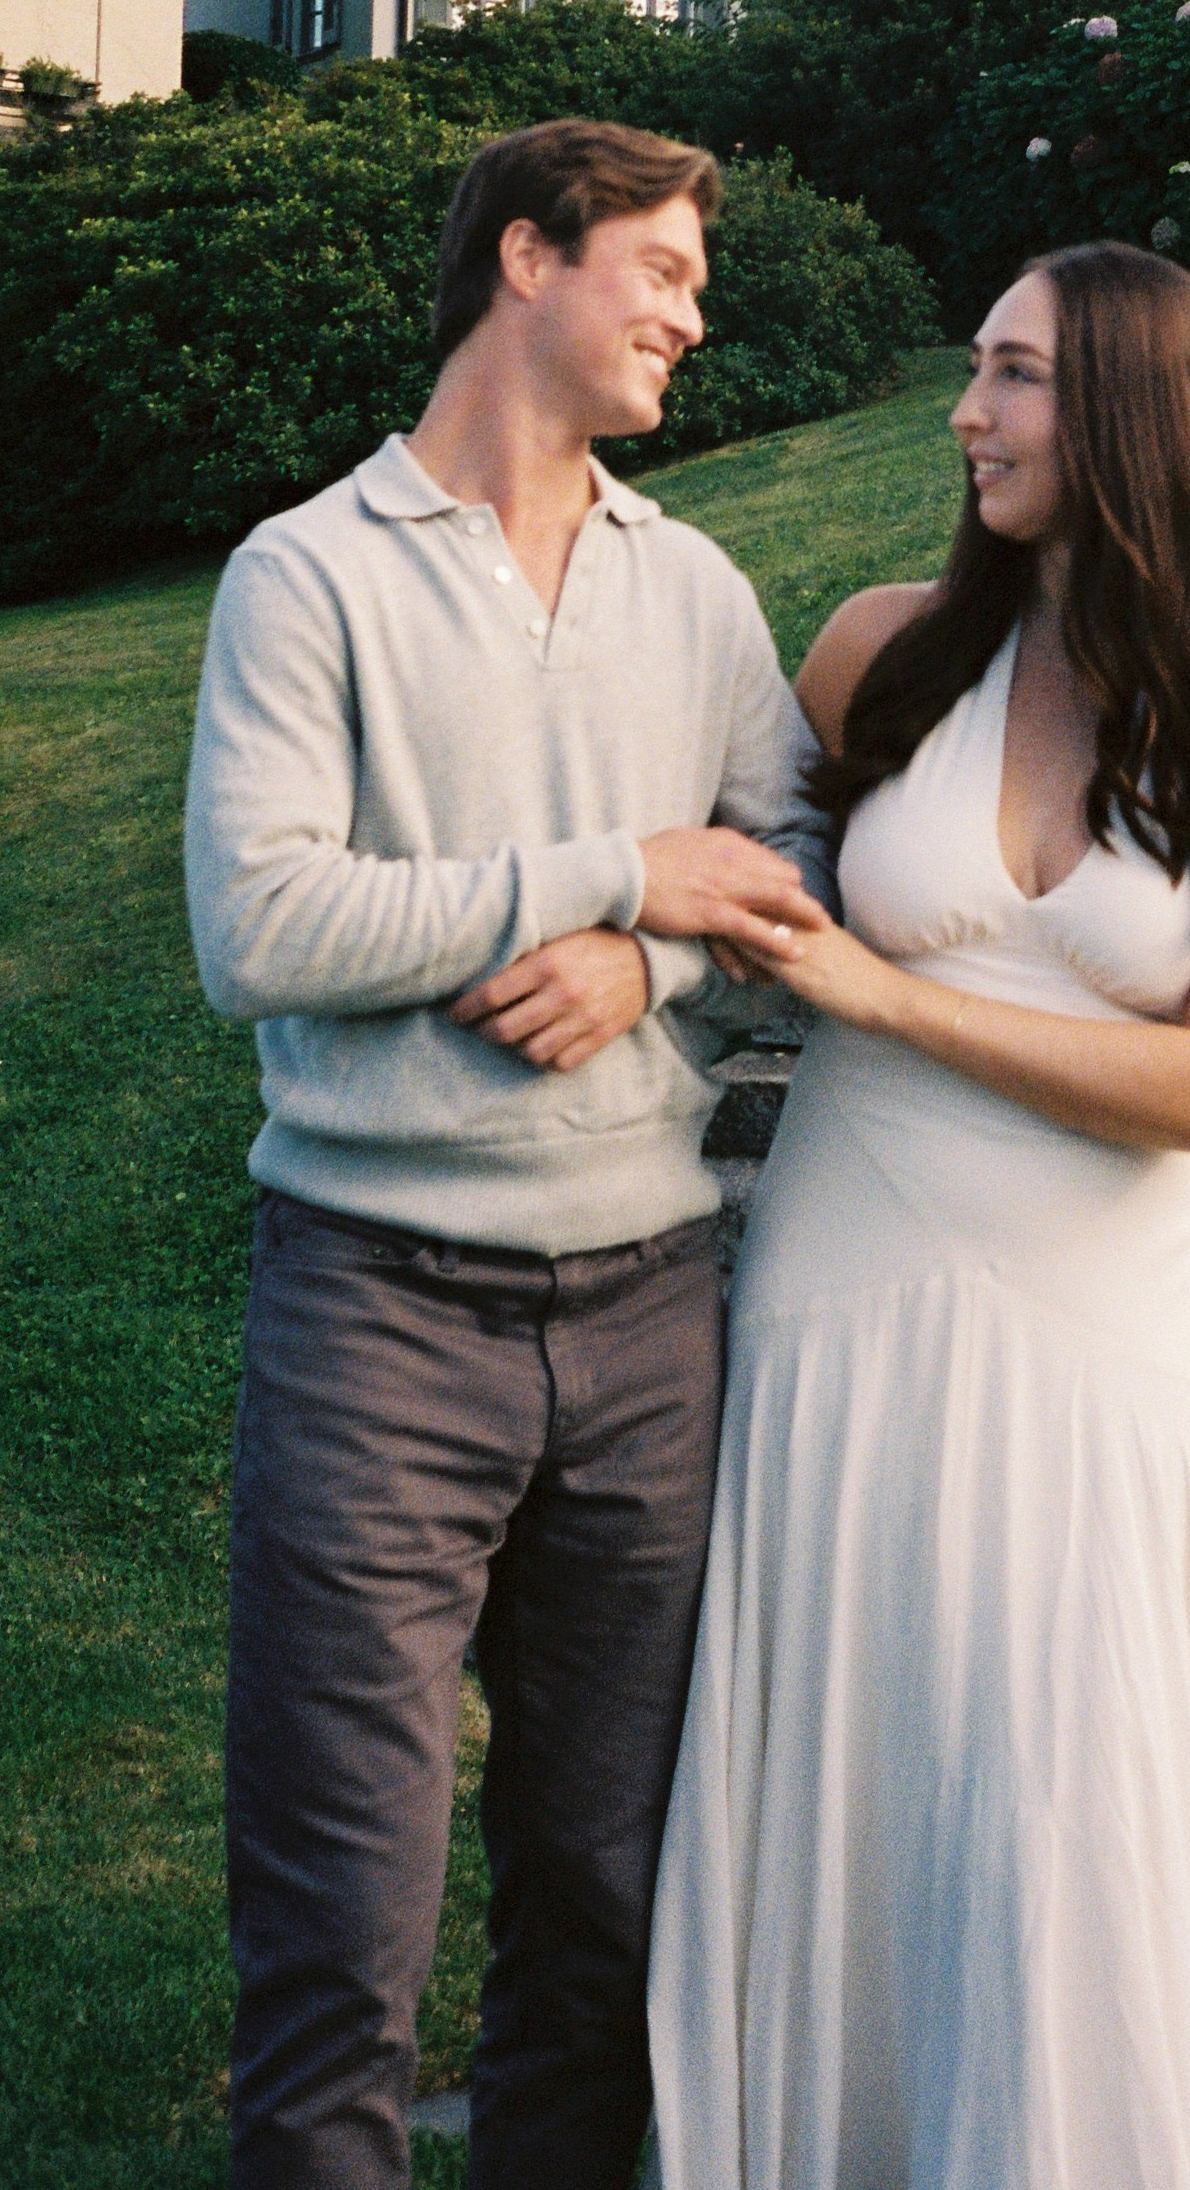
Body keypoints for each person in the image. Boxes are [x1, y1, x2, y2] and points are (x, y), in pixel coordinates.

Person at [648, 240, 1190, 2190]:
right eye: (974, 367)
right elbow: (711, 876)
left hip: (1096, 1327)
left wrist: (879, 995)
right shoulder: (881, 647)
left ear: (1130, 408)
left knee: (1066, 1797)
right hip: (845, 1288)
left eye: (1012, 372)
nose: (964, 410)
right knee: (856, 1782)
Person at [186, 118, 831, 2190]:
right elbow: (263, 925)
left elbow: (789, 868)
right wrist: (608, 871)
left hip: (651, 1315)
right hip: (372, 1316)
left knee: (607, 1904)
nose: (689, 318)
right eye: (658, 271)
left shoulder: (700, 587)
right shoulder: (306, 573)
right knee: (336, 1921)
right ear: (529, 261)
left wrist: (642, 964)